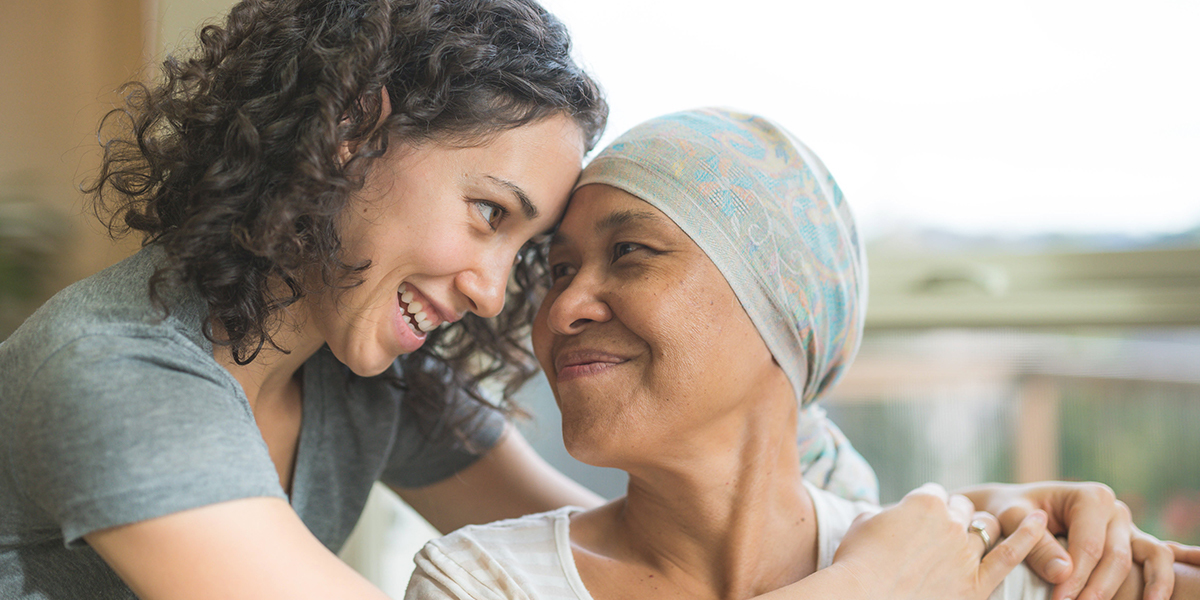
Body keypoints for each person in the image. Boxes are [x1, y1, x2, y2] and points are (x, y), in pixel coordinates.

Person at [0, 0, 1176, 596]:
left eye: (528, 252)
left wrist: (980, 526)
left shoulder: (362, 370)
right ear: (352, 132)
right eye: (491, 214)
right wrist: (871, 588)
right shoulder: (117, 373)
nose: (500, 291)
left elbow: (649, 536)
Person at [405, 108, 1200, 600]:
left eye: (633, 253)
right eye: (561, 270)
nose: (564, 306)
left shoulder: (976, 566)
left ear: (777, 306)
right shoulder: (478, 582)